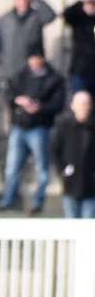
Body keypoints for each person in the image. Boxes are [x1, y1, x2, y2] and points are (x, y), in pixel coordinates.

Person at [0, 50, 66, 214]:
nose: (34, 62)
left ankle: (38, 202)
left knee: (42, 168)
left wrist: (39, 107)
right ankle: (8, 200)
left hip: (40, 127)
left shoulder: (54, 78)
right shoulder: (20, 75)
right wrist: (18, 101)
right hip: (19, 126)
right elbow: (8, 93)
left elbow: (58, 104)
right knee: (12, 167)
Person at [0, 0, 56, 84]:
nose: (22, 2)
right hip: (11, 71)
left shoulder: (36, 16)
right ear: (15, 0)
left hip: (32, 69)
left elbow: (51, 16)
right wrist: (0, 61)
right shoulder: (5, 19)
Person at [50, 89, 95, 217]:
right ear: (73, 106)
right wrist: (62, 170)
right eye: (80, 104)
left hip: (91, 185)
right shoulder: (63, 125)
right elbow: (54, 149)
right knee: (71, 223)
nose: (83, 107)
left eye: (86, 104)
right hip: (70, 182)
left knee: (89, 225)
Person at [62, 0, 95, 94]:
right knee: (80, 102)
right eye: (89, 3)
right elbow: (66, 14)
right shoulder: (78, 17)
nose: (91, 6)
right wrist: (80, 3)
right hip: (80, 70)